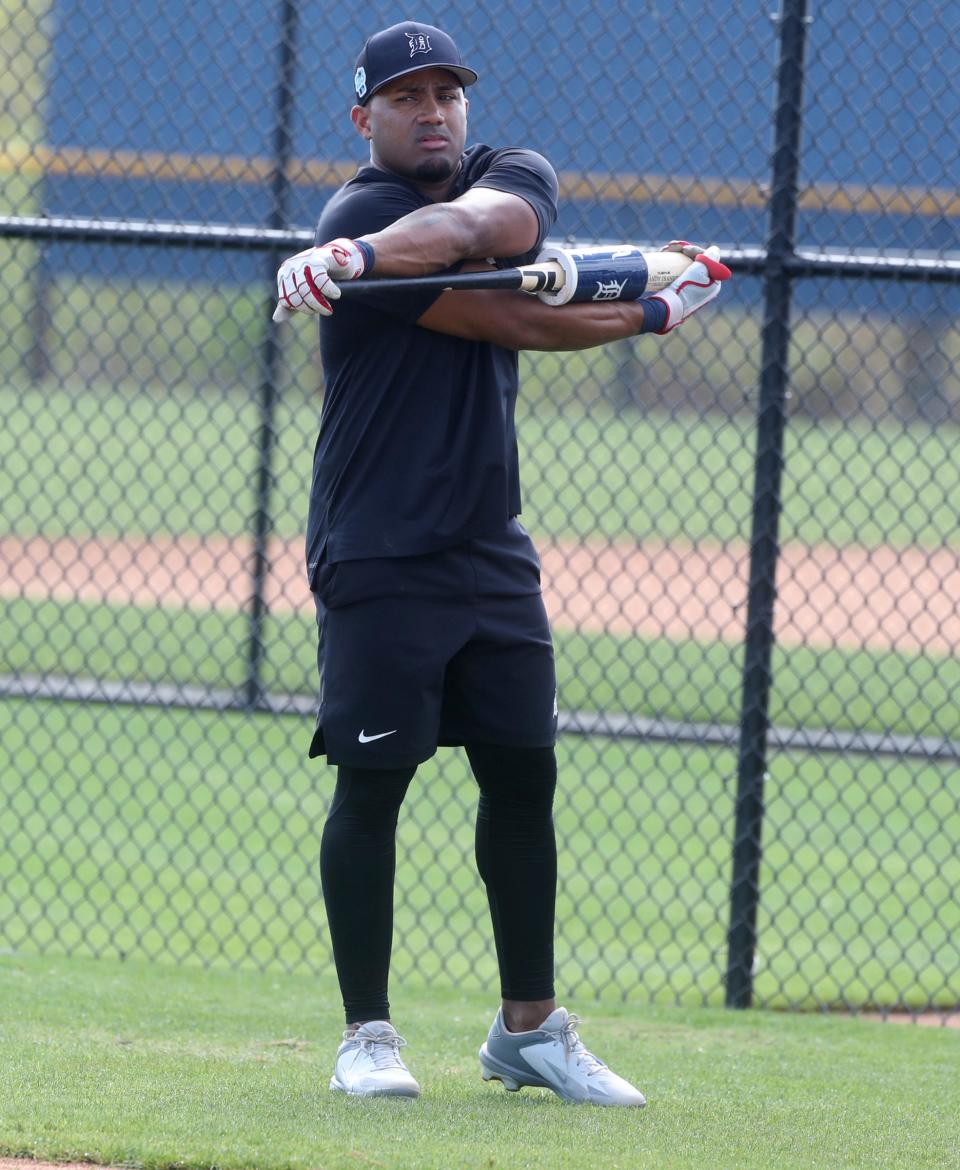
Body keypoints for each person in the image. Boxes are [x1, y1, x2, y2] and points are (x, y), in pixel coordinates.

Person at [274, 20, 729, 1106]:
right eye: (406, 96)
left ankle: (529, 1030)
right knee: (375, 783)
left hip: (490, 544)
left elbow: (496, 229)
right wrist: (358, 254)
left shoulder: (511, 176)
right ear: (363, 119)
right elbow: (507, 315)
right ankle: (368, 1038)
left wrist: (659, 307)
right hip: (382, 545)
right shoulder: (360, 213)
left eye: (448, 94)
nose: (433, 110)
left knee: (525, 776)